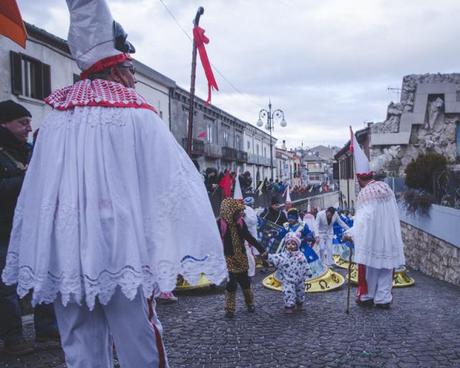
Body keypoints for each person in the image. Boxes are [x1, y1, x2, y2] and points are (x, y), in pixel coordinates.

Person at [1, 1, 227, 367]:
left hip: (67, 249)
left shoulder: (54, 121)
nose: (134, 78)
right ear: (118, 68)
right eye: (131, 68)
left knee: (79, 342)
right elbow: (173, 188)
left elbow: (36, 194)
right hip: (122, 249)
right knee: (137, 335)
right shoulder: (138, 116)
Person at [0, 100, 59, 355]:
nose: (28, 127)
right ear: (4, 123)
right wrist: (24, 178)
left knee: (44, 279)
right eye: (22, 123)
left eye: (29, 123)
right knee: (6, 289)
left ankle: (48, 332)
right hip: (3, 230)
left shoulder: (28, 150)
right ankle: (14, 338)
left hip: (32, 228)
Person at [343, 128, 405, 309]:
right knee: (386, 267)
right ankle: (383, 298)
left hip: (372, 238)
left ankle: (367, 297)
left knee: (370, 268)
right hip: (389, 236)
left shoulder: (365, 193)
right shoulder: (386, 188)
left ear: (360, 179)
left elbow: (364, 218)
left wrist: (350, 233)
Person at [217, 199, 265, 318]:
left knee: (245, 283)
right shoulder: (220, 224)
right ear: (229, 212)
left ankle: (250, 303)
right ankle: (230, 308)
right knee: (231, 284)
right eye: (237, 212)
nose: (239, 214)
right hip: (229, 258)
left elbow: (249, 237)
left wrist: (262, 249)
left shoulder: (240, 222)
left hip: (242, 257)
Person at [264, 233, 311, 314]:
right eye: (288, 243)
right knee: (288, 292)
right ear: (285, 245)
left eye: (293, 244)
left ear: (297, 245)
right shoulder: (283, 256)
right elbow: (275, 258)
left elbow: (305, 264)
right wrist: (267, 256)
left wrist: (308, 272)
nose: (290, 246)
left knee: (300, 292)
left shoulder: (301, 255)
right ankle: (289, 305)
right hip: (288, 280)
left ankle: (299, 303)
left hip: (300, 279)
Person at [243, 197, 259, 278]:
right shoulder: (246, 210)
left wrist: (245, 216)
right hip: (243, 236)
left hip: (250, 236)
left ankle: (251, 273)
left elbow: (253, 221)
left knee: (250, 254)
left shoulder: (250, 211)